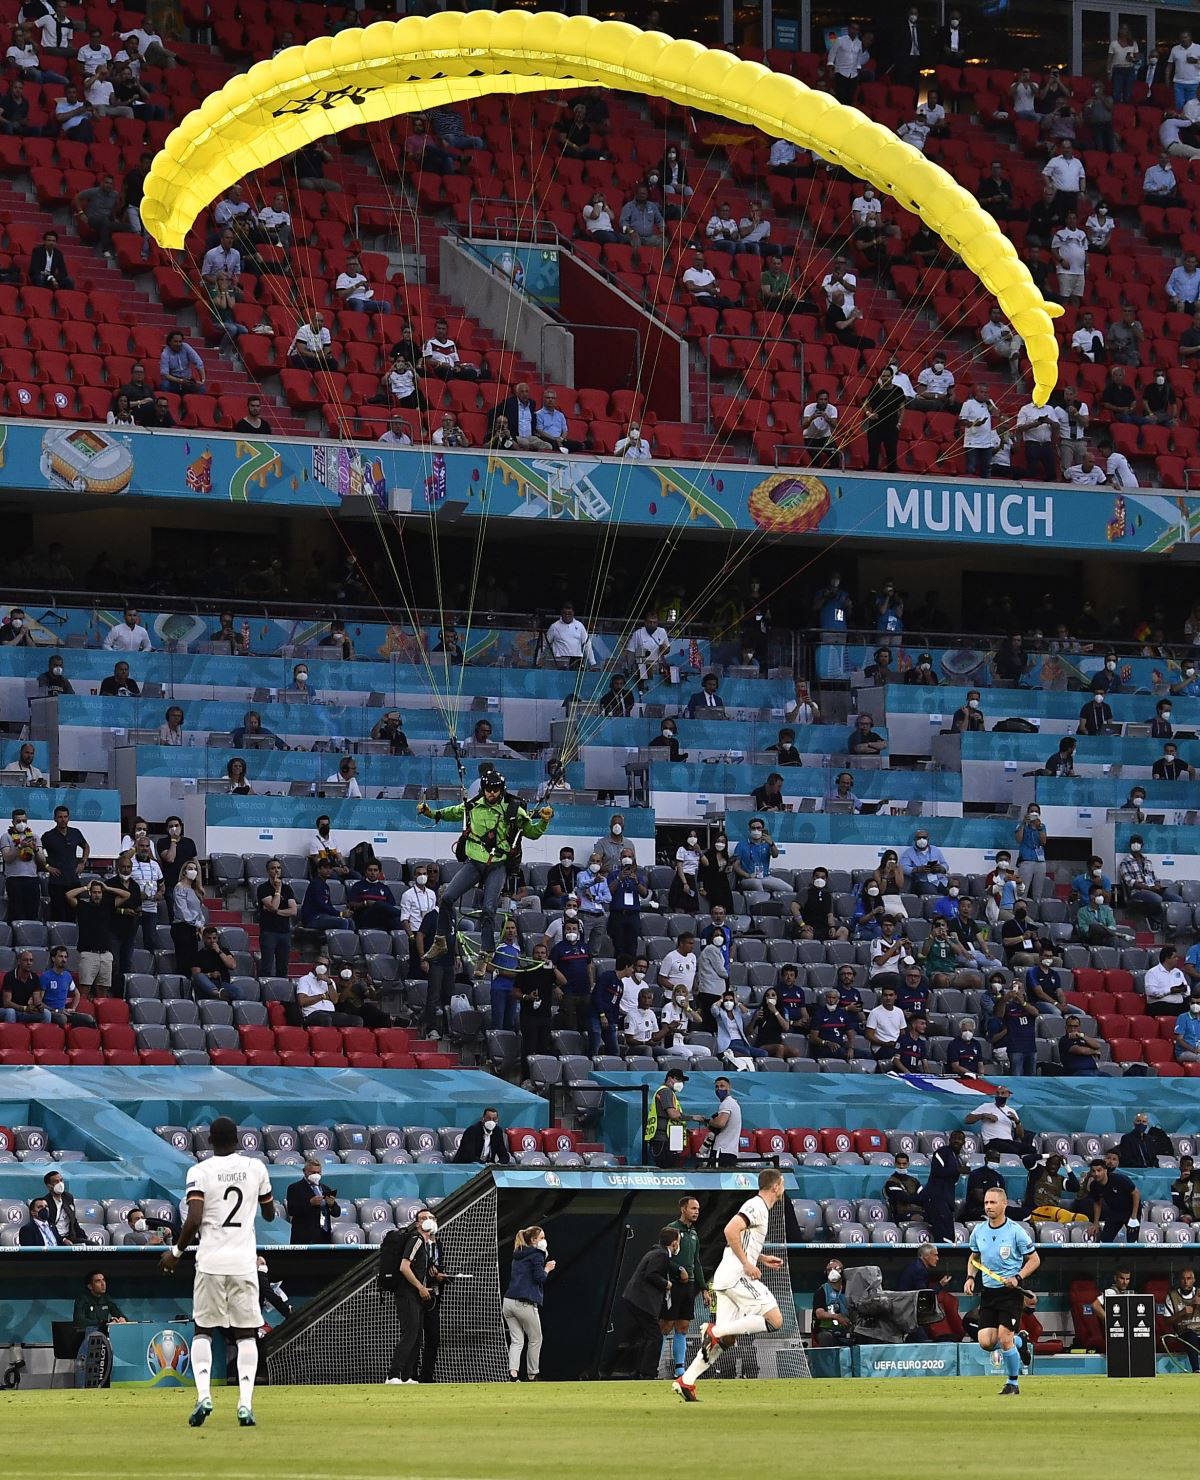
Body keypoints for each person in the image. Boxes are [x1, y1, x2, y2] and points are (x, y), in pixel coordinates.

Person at [160, 1116, 275, 1427]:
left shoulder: (200, 1171)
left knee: (203, 1330)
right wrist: (260, 1200)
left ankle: (203, 1396)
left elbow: (194, 1217)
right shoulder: (255, 1168)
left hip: (210, 1263)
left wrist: (176, 1252)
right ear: (237, 1139)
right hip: (244, 1264)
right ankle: (245, 1404)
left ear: (209, 1140)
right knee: (246, 1334)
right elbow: (269, 1213)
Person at [674, 1168, 786, 1402]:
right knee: (774, 1320)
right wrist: (747, 1264)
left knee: (725, 1341)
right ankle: (714, 1330)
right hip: (737, 1276)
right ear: (776, 1186)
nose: (783, 1188)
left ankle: (687, 1380)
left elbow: (741, 1240)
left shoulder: (759, 1208)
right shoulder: (756, 1205)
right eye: (782, 1183)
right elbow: (730, 1230)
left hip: (727, 1277)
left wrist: (760, 1258)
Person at [418, 778, 550, 965]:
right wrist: (430, 813)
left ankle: (486, 952)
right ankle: (440, 941)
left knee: (489, 908)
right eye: (488, 789)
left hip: (497, 865)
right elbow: (451, 813)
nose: (492, 793)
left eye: (495, 790)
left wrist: (544, 821)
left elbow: (532, 833)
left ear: (501, 789)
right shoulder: (473, 806)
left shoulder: (514, 809)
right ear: (483, 789)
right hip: (474, 863)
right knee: (447, 897)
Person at [965, 1187, 1040, 1396]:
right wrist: (970, 1277)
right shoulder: (979, 1231)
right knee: (986, 1342)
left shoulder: (1016, 1231)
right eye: (986, 1203)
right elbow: (974, 1257)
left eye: (993, 1202)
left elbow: (1034, 1260)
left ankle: (1012, 1383)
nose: (988, 1206)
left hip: (1010, 1293)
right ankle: (1020, 1341)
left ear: (1004, 1204)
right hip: (988, 1293)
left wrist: (1018, 1278)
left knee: (1005, 1339)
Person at [384, 1207, 448, 1385]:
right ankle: (393, 1375)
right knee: (410, 1334)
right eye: (423, 1218)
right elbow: (404, 1267)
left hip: (416, 1295)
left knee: (417, 1336)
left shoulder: (428, 1245)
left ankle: (407, 1377)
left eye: (431, 1217)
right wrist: (420, 1287)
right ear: (417, 1224)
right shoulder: (416, 1240)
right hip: (407, 1294)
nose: (428, 1220)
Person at [618, 1227, 679, 1380]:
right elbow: (651, 1274)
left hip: (635, 1299)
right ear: (674, 1243)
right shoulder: (661, 1255)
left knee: (646, 1336)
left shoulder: (655, 1252)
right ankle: (648, 1372)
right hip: (642, 1301)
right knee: (655, 1336)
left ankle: (640, 1370)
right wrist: (666, 1284)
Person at [502, 1225, 553, 1382]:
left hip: (508, 1302)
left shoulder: (518, 1253)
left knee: (517, 1340)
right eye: (542, 1238)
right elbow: (540, 1278)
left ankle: (513, 1374)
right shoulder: (536, 1254)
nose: (544, 1240)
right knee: (536, 1338)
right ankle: (532, 1375)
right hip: (524, 1303)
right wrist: (547, 1268)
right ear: (533, 1240)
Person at [920, 1129, 965, 1242]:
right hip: (937, 1198)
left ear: (964, 1142)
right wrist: (958, 1170)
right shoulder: (942, 1152)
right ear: (949, 1140)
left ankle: (947, 1252)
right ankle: (943, 1252)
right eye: (954, 1138)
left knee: (949, 1235)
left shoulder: (957, 1158)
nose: (957, 1141)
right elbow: (937, 1171)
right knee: (943, 1235)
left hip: (947, 1199)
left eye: (960, 1139)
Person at [284, 1158, 340, 1244]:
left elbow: (337, 1213)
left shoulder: (326, 1189)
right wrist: (310, 1203)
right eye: (313, 1173)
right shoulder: (294, 1188)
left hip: (324, 1238)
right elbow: (292, 1210)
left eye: (318, 1172)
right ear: (304, 1171)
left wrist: (332, 1205)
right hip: (304, 1238)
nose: (316, 1175)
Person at [1086, 1158, 1141, 1241]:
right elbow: (1097, 1203)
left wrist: (1134, 1217)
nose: (1096, 1174)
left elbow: (1136, 1193)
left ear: (1105, 1170)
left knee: (1132, 1241)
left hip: (1130, 1211)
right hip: (1114, 1211)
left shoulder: (1120, 1179)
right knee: (1104, 1240)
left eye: (1099, 1170)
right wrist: (1095, 1223)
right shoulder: (1094, 1185)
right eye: (1093, 1171)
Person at [693, 1076, 743, 1166]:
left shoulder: (727, 1103)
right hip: (730, 1151)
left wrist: (708, 1121)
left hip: (722, 1151)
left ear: (729, 1088)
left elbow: (720, 1123)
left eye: (722, 1086)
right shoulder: (734, 1103)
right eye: (717, 1087)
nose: (719, 1089)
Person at [644, 1068, 688, 1169]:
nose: (681, 1083)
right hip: (664, 1140)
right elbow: (673, 1115)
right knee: (667, 1169)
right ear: (669, 1079)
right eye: (678, 1080)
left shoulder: (668, 1093)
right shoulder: (666, 1092)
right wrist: (693, 1117)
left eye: (682, 1081)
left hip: (668, 1139)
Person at [73, 1269, 127, 1337]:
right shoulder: (82, 1299)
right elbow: (79, 1321)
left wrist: (121, 1319)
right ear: (90, 1286)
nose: (103, 1284)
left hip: (104, 1335)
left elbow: (119, 1314)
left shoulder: (107, 1299)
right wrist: (103, 1323)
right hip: (87, 1336)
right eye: (98, 1281)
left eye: (103, 1280)